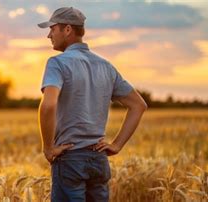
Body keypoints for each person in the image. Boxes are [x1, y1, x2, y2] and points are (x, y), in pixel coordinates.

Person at [37, 7, 147, 202]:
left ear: (68, 29)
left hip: (70, 159)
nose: (49, 35)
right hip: (99, 160)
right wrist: (116, 145)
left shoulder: (57, 63)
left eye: (52, 29)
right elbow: (138, 105)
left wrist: (48, 148)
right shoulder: (105, 66)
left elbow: (48, 106)